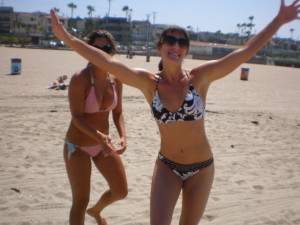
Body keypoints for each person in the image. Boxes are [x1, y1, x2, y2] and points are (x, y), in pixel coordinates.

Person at [50, 1, 299, 224]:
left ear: (186, 50)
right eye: (170, 40)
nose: (175, 45)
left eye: (182, 42)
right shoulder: (148, 83)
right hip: (167, 167)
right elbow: (109, 62)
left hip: (202, 168)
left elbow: (243, 52)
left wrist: (278, 21)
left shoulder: (200, 78)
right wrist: (70, 40)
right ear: (160, 47)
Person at [63, 30, 128, 225]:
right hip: (78, 146)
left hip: (103, 145)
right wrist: (98, 135)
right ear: (88, 50)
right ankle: (88, 210)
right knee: (80, 202)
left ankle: (96, 210)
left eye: (106, 48)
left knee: (120, 191)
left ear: (112, 51)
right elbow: (77, 117)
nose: (101, 52)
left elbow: (117, 113)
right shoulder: (80, 78)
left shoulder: (116, 79)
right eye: (95, 48)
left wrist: (123, 136)